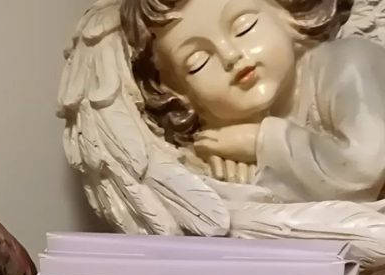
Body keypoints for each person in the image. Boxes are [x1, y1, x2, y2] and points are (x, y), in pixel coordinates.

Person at [121, 0, 385, 199]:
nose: (230, 55)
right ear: (181, 96)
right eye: (198, 62)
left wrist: (258, 141)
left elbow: (365, 167)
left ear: (288, 15)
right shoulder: (220, 143)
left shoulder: (349, 61)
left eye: (244, 27)